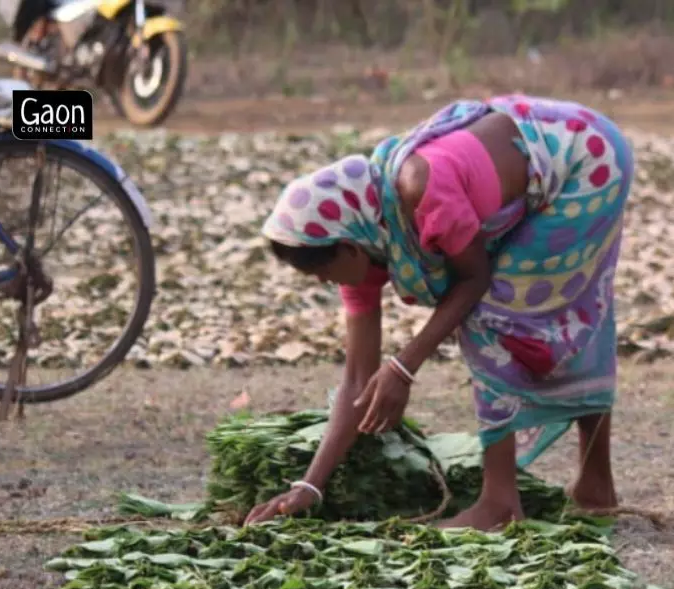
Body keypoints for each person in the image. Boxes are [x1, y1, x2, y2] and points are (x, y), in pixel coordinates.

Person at [248, 95, 633, 530]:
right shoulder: (365, 238)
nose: (325, 283)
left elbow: (474, 281)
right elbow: (357, 378)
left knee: (492, 317)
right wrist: (309, 486)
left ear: (349, 245)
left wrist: (404, 366)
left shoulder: (419, 187)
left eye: (322, 271)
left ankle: (499, 503)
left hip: (586, 159)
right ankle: (595, 486)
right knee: (567, 307)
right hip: (546, 160)